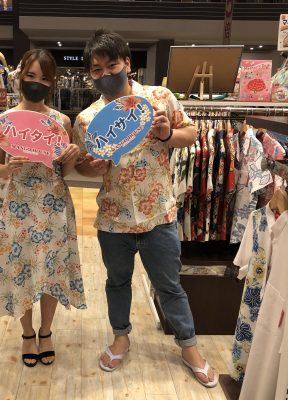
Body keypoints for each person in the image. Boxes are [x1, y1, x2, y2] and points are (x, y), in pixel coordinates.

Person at [73, 29, 218, 388]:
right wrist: (92, 168)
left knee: (169, 285)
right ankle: (121, 337)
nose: (105, 74)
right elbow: (84, 167)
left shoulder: (159, 98)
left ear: (127, 63)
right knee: (117, 282)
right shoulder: (88, 118)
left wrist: (168, 134)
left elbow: (191, 134)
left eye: (112, 65)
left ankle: (189, 346)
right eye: (96, 70)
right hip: (113, 218)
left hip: (159, 215)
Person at [0, 49, 87, 368]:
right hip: (19, 205)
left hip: (54, 205)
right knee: (22, 271)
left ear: (52, 82)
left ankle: (46, 332)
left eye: (44, 78)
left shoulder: (61, 121)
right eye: (31, 75)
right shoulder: (3, 122)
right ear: (20, 77)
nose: (37, 83)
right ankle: (27, 334)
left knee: (51, 271)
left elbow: (65, 171)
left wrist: (71, 155)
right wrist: (8, 168)